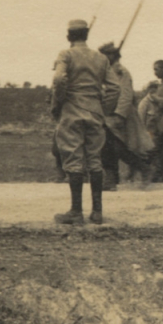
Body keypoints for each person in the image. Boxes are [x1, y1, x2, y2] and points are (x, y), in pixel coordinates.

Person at [51, 19, 121, 224]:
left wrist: (60, 101)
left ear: (69, 36)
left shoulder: (66, 55)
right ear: (86, 35)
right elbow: (115, 88)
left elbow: (58, 79)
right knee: (95, 160)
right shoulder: (101, 58)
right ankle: (97, 212)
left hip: (72, 112)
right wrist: (103, 109)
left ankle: (76, 212)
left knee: (73, 160)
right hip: (95, 113)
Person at [98, 42, 153, 189]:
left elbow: (125, 95)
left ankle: (143, 168)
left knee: (121, 148)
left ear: (113, 55)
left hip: (122, 116)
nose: (102, 58)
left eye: (105, 55)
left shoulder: (122, 72)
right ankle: (111, 179)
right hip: (107, 115)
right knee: (106, 147)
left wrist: (119, 115)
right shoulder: (105, 72)